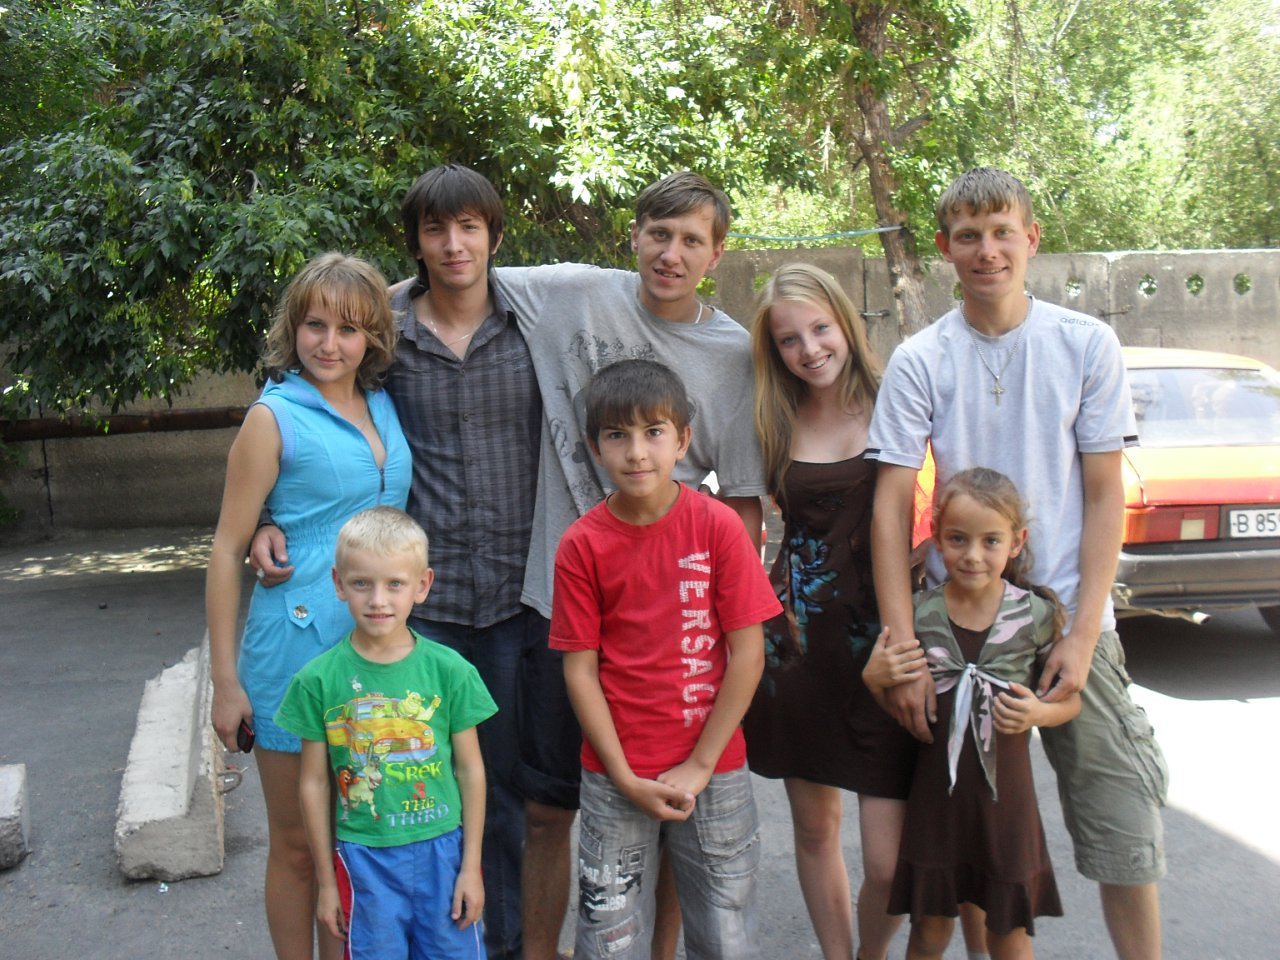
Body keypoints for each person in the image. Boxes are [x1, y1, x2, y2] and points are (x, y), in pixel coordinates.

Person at [866, 167, 1168, 960]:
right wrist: (903, 646)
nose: (987, 251)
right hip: (957, 626)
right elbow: (890, 506)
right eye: (968, 236)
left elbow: (1103, 493)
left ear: (1031, 238)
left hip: (1067, 619)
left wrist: (1083, 633)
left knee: (1121, 825)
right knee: (967, 831)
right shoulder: (921, 358)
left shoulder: (1084, 344)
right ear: (944, 248)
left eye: (1003, 232)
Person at [252, 164, 539, 960]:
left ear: (494, 235)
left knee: (490, 792)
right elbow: (298, 421)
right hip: (390, 612)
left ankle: (492, 944)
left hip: (496, 599)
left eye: (470, 226)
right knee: (367, 798)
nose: (453, 244)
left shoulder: (531, 324)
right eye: (435, 229)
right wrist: (264, 519)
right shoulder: (386, 337)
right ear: (414, 241)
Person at [493, 170, 767, 960]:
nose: (671, 253)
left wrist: (724, 617)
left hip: (677, 627)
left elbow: (743, 498)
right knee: (553, 809)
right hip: (566, 602)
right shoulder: (573, 293)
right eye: (659, 234)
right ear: (635, 235)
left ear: (716, 253)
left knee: (683, 818)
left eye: (691, 240)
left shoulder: (731, 354)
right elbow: (457, 272)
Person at [207, 252, 412, 960]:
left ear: (371, 337)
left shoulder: (384, 402)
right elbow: (226, 549)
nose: (329, 343)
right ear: (292, 329)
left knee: (356, 840)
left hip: (378, 651)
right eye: (315, 325)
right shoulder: (273, 416)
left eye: (349, 329)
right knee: (300, 846)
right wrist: (225, 683)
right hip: (293, 650)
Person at [549, 359, 781, 960]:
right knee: (609, 940)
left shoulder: (718, 527)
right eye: (617, 435)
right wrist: (623, 775)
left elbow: (748, 653)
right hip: (614, 775)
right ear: (595, 447)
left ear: (683, 439)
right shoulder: (581, 545)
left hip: (716, 769)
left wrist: (701, 764)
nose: (636, 452)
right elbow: (580, 670)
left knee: (726, 937)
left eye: (653, 432)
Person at [739, 263, 916, 960]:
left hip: (887, 642)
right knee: (814, 830)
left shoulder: (899, 397)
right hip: (798, 647)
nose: (809, 349)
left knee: (889, 864)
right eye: (789, 339)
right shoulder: (770, 417)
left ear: (845, 322)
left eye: (819, 329)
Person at [866, 468, 1079, 959]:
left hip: (1007, 806)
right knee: (929, 932)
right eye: (958, 538)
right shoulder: (918, 615)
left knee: (1008, 934)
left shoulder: (1035, 617)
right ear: (937, 536)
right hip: (935, 804)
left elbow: (1070, 700)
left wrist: (1038, 714)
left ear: (1016, 542)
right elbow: (898, 711)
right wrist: (874, 682)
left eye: (991, 541)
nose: (973, 555)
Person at [275, 506, 497, 959]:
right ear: (338, 583)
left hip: (443, 854)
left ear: (423, 585)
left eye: (395, 584)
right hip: (364, 859)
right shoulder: (317, 681)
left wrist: (471, 866)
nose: (378, 600)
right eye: (362, 583)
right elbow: (314, 783)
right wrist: (326, 883)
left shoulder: (451, 671)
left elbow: (471, 770)